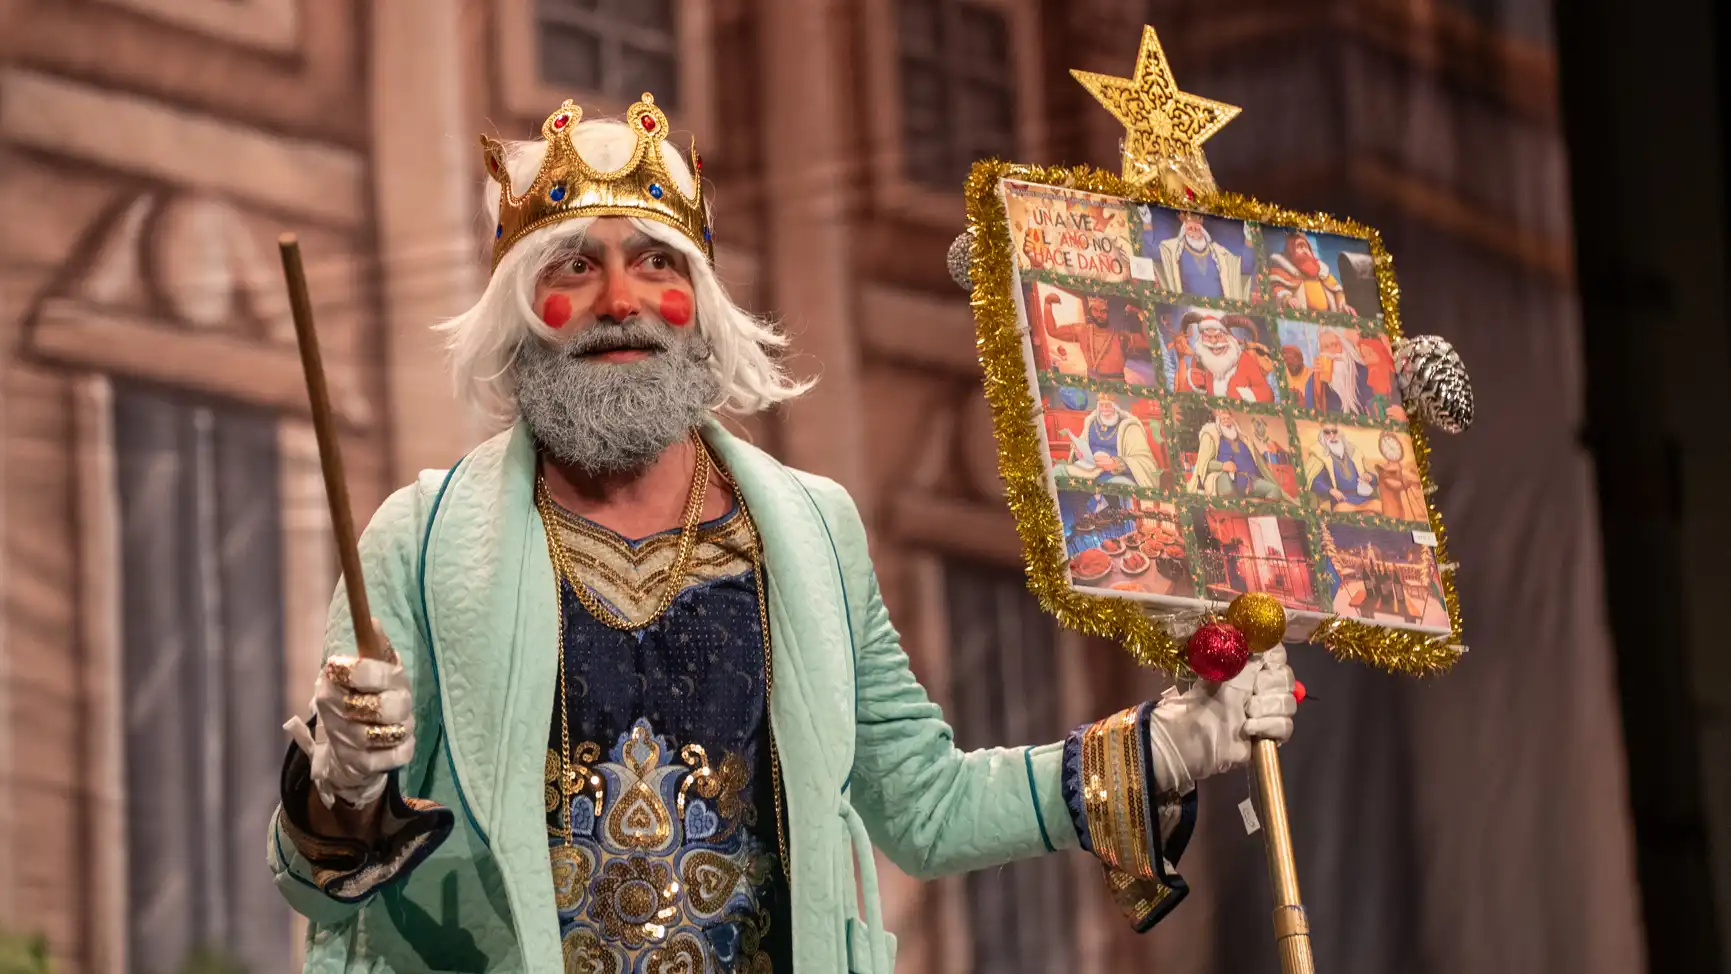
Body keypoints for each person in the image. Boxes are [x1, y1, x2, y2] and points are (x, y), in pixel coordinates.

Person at [265, 94, 1301, 973]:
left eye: (653, 262)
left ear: (700, 305)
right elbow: (316, 871)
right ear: (521, 309)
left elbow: (924, 806)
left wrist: (1161, 747)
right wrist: (344, 778)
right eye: (573, 266)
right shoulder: (420, 538)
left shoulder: (813, 531)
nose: (618, 300)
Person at [1054, 392, 1162, 488]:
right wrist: (1078, 454)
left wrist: (1117, 463)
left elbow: (1144, 462)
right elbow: (1082, 449)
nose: (1104, 409)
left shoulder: (1130, 427)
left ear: (1115, 406)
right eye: (1101, 405)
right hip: (1089, 471)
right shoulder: (1091, 423)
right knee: (1058, 470)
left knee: (1116, 485)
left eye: (1108, 405)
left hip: (1115, 476)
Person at [1172, 311, 1276, 403]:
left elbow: (1267, 394)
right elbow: (1184, 397)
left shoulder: (1243, 359)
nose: (1213, 342)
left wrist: (1240, 395)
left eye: (1218, 336)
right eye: (1208, 337)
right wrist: (1194, 387)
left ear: (1228, 338)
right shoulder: (1200, 361)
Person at [1188, 409, 1288, 499]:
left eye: (1228, 417)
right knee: (1227, 491)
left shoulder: (1243, 439)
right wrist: (1223, 466)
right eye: (1223, 418)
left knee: (1275, 491)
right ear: (1219, 419)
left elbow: (1259, 462)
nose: (1226, 420)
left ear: (1232, 418)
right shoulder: (1215, 438)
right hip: (1227, 479)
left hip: (1251, 481)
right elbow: (1205, 464)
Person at [1158, 211, 1249, 300]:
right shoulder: (1171, 250)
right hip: (1188, 311)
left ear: (1201, 223)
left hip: (1219, 311)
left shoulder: (1220, 253)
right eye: (1190, 228)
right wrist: (1146, 223)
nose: (1194, 230)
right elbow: (1150, 250)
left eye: (1197, 227)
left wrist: (1249, 239)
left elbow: (1244, 267)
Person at [1041, 290, 1129, 381]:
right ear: (1090, 312)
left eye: (1103, 311)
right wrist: (1048, 304)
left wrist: (1142, 315)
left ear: (1108, 312)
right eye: (1095, 310)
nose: (1099, 315)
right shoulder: (1082, 331)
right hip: (1093, 386)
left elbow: (1142, 343)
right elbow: (1053, 331)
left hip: (1116, 385)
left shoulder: (1120, 335)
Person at [1269, 231, 1355, 314]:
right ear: (1290, 252)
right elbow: (1276, 288)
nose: (1305, 251)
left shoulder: (1323, 274)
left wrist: (1342, 306)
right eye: (1300, 247)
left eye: (1306, 247)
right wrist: (1287, 299)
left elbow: (1337, 291)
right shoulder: (1282, 272)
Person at [1305, 424, 1379, 511]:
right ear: (1322, 437)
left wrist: (1369, 477)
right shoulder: (1320, 458)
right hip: (1342, 501)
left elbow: (1373, 478)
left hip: (1363, 497)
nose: (1332, 436)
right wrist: (1330, 490)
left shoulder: (1353, 455)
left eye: (1334, 432)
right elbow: (1315, 481)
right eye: (1327, 433)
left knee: (1379, 506)